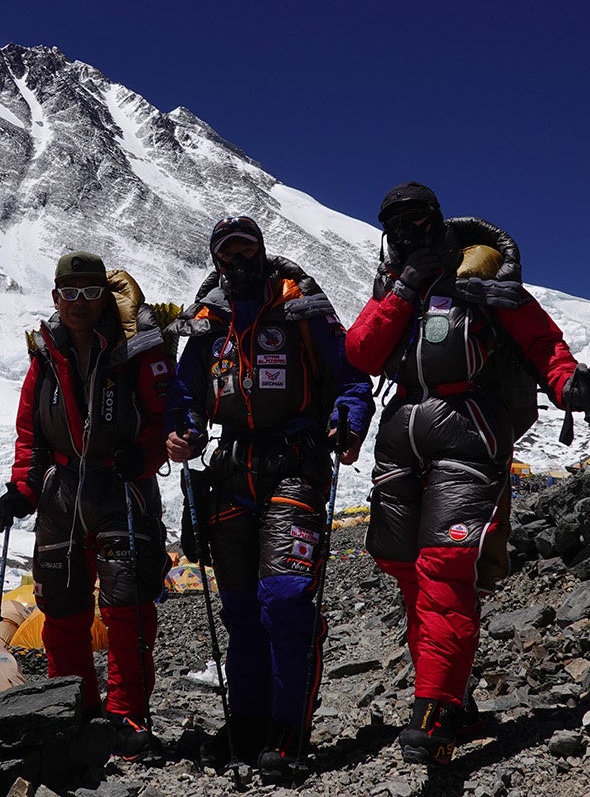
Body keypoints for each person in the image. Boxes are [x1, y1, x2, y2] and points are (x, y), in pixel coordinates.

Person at [344, 182, 590, 767]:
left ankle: (433, 707)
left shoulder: (483, 278)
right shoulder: (395, 286)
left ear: (437, 218)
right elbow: (359, 353)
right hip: (401, 430)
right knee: (399, 562)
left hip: (468, 428)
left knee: (444, 568)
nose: (409, 229)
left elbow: (542, 343)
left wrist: (568, 384)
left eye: (418, 217)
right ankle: (454, 698)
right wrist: (407, 286)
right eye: (397, 222)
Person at [165, 215, 374, 780]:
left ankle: (289, 727)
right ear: (216, 260)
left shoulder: (301, 307)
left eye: (246, 249)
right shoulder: (208, 323)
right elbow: (185, 390)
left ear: (262, 252)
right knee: (239, 613)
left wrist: (347, 420)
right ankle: (248, 722)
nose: (238, 261)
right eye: (227, 252)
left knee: (283, 600)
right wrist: (183, 428)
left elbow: (350, 377)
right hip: (232, 471)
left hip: (295, 465)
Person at [0, 251, 173, 760]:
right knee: (63, 611)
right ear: (55, 297)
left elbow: (163, 416)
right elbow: (30, 432)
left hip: (122, 488)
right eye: (69, 293)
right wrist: (22, 490)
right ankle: (71, 709)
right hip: (62, 493)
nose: (78, 303)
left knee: (128, 609)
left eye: (90, 293)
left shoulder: (135, 351)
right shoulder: (45, 354)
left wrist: (146, 454)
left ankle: (126, 717)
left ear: (104, 299)